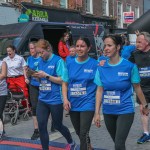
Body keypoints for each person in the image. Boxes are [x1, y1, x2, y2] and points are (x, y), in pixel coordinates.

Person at [94, 34, 149, 150]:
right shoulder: (101, 66)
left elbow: (137, 88)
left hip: (125, 110)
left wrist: (144, 105)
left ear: (118, 47)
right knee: (118, 143)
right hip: (108, 111)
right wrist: (97, 113)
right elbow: (99, 90)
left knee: (118, 144)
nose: (106, 48)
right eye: (105, 45)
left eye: (109, 45)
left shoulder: (129, 66)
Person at [32, 39, 76, 150]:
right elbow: (40, 80)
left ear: (48, 49)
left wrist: (46, 76)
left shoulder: (58, 61)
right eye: (38, 53)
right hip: (42, 99)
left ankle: (71, 142)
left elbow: (63, 80)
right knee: (41, 126)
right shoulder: (40, 62)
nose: (40, 55)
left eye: (42, 52)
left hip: (55, 99)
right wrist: (36, 76)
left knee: (57, 125)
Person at [62, 37, 98, 150]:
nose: (79, 48)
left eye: (82, 46)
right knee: (78, 132)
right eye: (77, 46)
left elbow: (100, 86)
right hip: (73, 103)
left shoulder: (95, 64)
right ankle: (89, 147)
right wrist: (65, 99)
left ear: (88, 48)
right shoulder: (69, 63)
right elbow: (65, 83)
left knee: (83, 132)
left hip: (88, 103)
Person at [129, 32, 150, 144]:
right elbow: (126, 65)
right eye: (136, 42)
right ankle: (146, 133)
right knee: (143, 110)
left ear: (147, 42)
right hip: (142, 88)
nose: (137, 44)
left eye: (139, 42)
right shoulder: (134, 54)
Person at [26, 41, 41, 140]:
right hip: (33, 85)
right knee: (34, 107)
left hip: (43, 85)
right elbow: (27, 71)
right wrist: (27, 75)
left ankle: (54, 122)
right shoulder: (29, 59)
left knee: (46, 106)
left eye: (33, 48)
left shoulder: (42, 58)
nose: (31, 50)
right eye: (30, 48)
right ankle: (36, 130)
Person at [0, 60, 7, 140]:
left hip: (2, 92)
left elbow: (3, 74)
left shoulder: (2, 63)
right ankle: (2, 131)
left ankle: (1, 132)